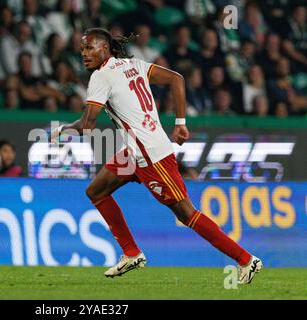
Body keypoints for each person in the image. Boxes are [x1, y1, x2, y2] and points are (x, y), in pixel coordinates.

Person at [50, 28, 262, 284]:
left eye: (89, 47)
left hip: (151, 156)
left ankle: (245, 260)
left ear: (104, 49)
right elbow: (177, 79)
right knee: (96, 191)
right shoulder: (133, 64)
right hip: (134, 152)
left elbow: (87, 125)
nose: (84, 54)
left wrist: (63, 130)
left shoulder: (100, 77)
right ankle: (131, 253)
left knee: (185, 213)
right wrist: (180, 123)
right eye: (82, 49)